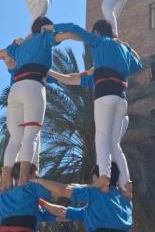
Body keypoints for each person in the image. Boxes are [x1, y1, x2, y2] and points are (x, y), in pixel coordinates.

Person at [44, 20, 142, 191]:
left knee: (102, 137)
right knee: (114, 143)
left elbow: (73, 28)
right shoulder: (122, 51)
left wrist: (51, 28)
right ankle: (126, 182)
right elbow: (138, 64)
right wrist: (128, 46)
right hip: (121, 98)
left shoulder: (99, 42)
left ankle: (104, 175)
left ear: (96, 32)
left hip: (105, 94)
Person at [0, 17, 73, 189]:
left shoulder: (21, 46)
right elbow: (65, 35)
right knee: (31, 136)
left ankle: (5, 180)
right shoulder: (45, 37)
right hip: (34, 87)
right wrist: (75, 33)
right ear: (45, 28)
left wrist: (15, 43)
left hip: (15, 90)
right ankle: (23, 180)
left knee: (15, 138)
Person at [34, 162, 134, 232]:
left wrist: (38, 181)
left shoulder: (95, 192)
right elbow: (63, 212)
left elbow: (62, 189)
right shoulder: (125, 198)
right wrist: (42, 203)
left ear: (98, 178)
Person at [48, 70, 129, 190]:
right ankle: (125, 185)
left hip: (110, 103)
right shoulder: (111, 66)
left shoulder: (97, 75)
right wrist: (81, 74)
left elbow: (71, 79)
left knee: (104, 145)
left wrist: (49, 72)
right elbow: (75, 76)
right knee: (114, 146)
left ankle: (105, 181)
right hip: (122, 108)